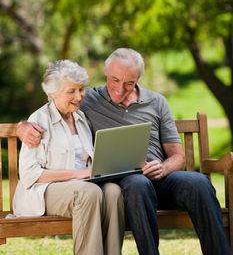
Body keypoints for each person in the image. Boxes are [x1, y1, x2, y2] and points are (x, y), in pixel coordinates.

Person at [16, 49, 232, 255]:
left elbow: (179, 156)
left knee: (199, 183)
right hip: (127, 180)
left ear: (138, 78)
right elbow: (54, 107)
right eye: (115, 80)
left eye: (129, 83)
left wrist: (163, 167)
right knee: (138, 184)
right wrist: (21, 127)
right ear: (106, 74)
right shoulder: (88, 99)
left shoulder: (156, 102)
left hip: (159, 177)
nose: (120, 89)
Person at [13, 60, 125, 255]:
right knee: (88, 192)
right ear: (52, 93)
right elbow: (30, 174)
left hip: (84, 185)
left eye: (81, 90)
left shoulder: (81, 119)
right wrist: (78, 174)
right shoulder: (38, 121)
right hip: (45, 192)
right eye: (71, 91)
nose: (79, 96)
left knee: (114, 191)